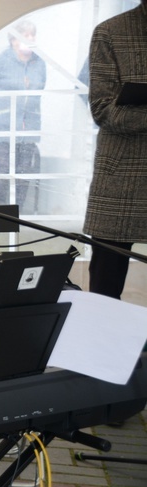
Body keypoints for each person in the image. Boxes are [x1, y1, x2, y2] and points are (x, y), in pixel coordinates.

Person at [83, 0, 147, 300]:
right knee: (104, 294)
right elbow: (102, 109)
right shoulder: (111, 32)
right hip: (121, 179)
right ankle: (100, 344)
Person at [0, 19, 46, 211]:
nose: (31, 39)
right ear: (14, 40)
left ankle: (16, 214)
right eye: (26, 35)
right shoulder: (0, 61)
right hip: (3, 129)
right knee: (2, 174)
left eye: (33, 35)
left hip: (28, 129)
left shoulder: (40, 63)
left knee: (23, 174)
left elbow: (40, 90)